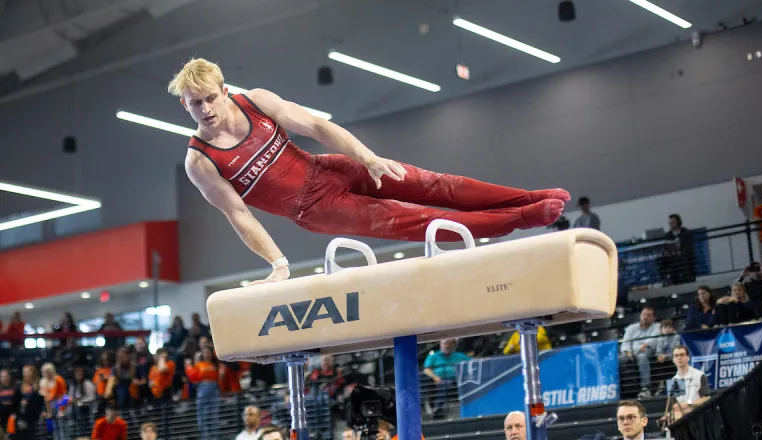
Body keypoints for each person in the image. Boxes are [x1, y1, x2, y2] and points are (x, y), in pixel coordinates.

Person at [168, 58, 570, 285]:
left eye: (208, 98)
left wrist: (369, 158)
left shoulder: (255, 100)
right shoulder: (200, 160)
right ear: (183, 106)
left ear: (224, 91)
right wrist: (279, 264)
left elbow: (320, 127)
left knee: (434, 184)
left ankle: (527, 197)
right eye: (193, 104)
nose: (204, 109)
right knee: (422, 221)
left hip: (328, 168)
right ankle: (521, 218)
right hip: (316, 209)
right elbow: (240, 215)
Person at [663, 345, 711, 423]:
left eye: (682, 355)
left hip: (698, 414)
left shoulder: (699, 375)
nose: (679, 358)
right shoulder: (674, 380)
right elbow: (675, 405)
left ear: (688, 357)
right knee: (670, 419)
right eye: (676, 356)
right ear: (673, 360)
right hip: (682, 417)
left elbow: (706, 399)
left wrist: (688, 404)